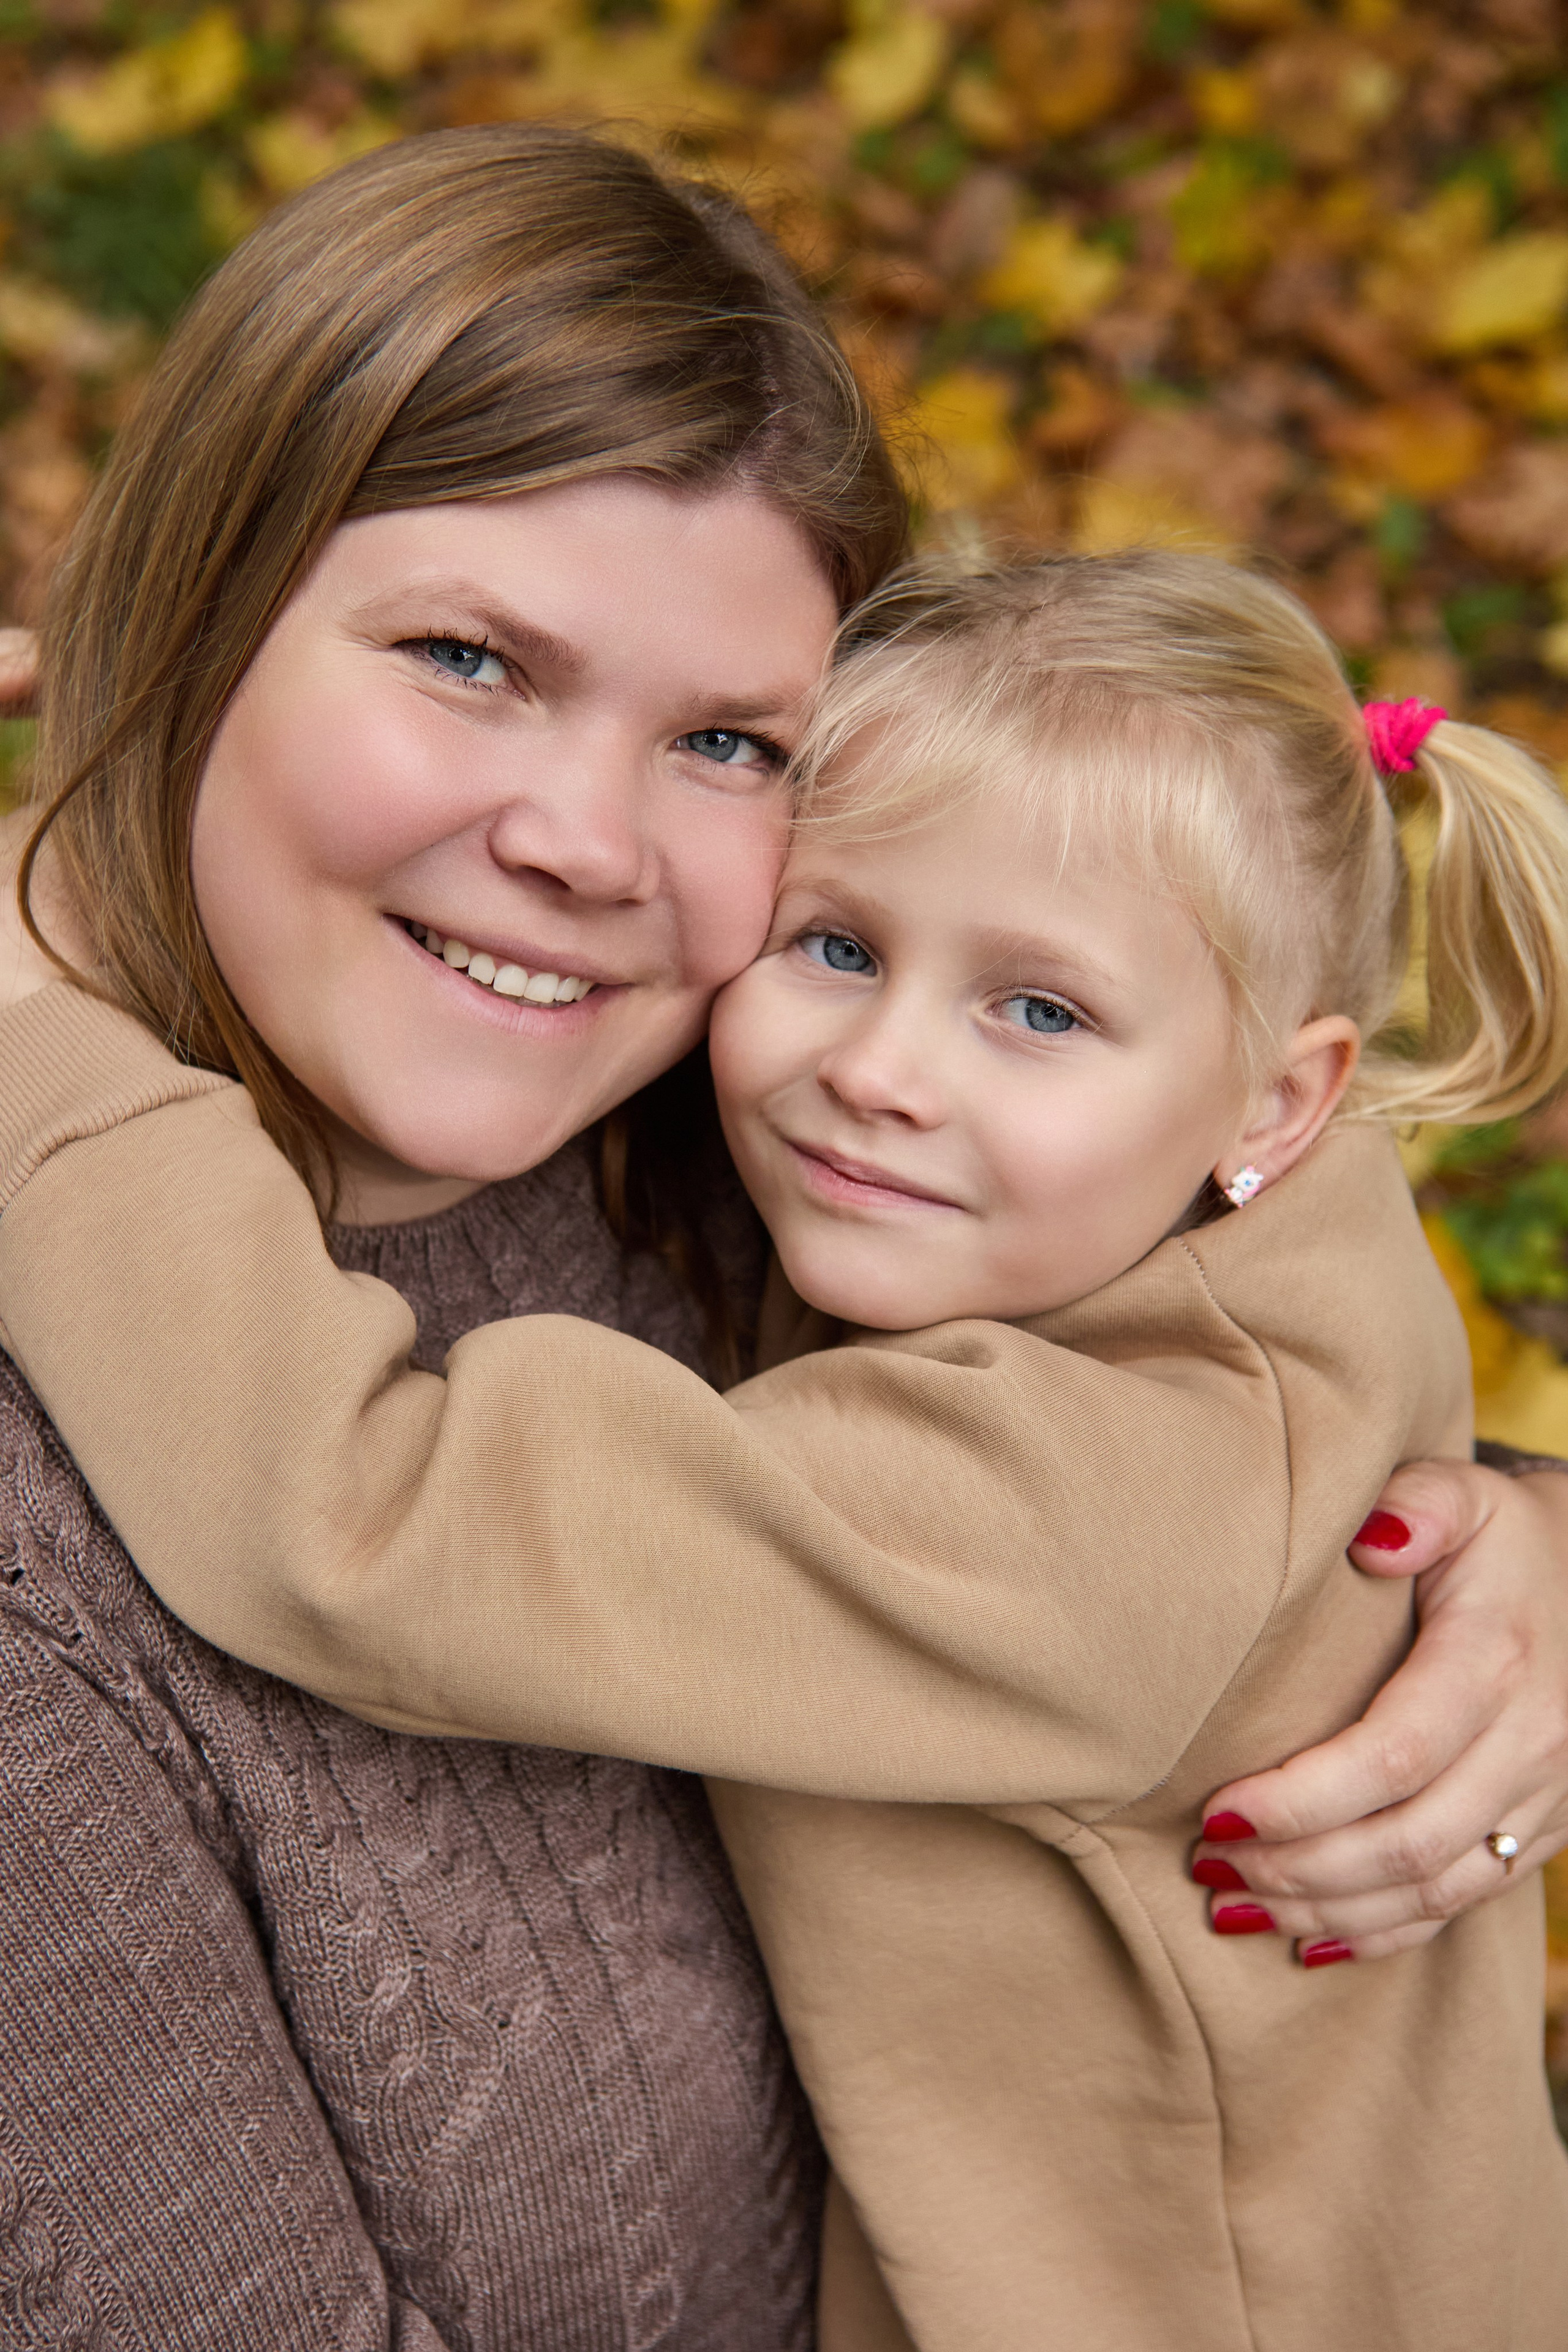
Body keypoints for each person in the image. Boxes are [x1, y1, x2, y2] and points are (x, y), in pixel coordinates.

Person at [4, 122, 1568, 2352]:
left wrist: (1510, 1552)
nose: (578, 841)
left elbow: (376, 1506)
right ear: (195, 616)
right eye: (466, 657)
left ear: (1274, 1102)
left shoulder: (793, 1188)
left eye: (731, 738)